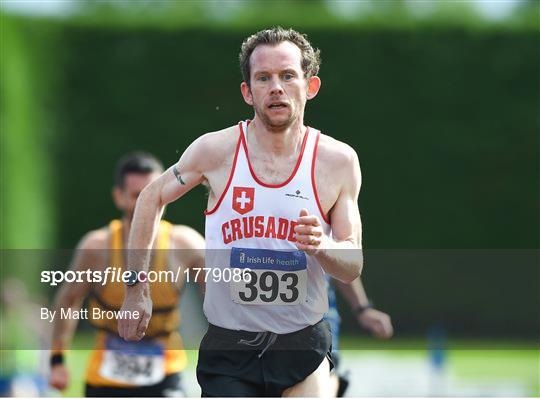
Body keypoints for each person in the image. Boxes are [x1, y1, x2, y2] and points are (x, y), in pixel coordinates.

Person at [119, 27, 363, 397]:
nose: (276, 87)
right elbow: (151, 197)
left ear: (310, 86)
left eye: (287, 75)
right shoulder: (215, 151)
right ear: (248, 92)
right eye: (263, 78)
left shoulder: (338, 161)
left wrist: (323, 246)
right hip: (230, 349)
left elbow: (352, 262)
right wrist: (137, 289)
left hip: (302, 343)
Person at [49, 152, 205, 397]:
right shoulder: (97, 248)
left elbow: (221, 296)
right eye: (137, 197)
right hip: (106, 378)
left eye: (153, 194)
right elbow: (68, 301)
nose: (147, 205)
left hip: (165, 372)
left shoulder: (186, 244)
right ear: (118, 197)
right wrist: (57, 361)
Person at [326, 277, 393, 396]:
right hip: (283, 325)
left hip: (319, 319)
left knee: (324, 373)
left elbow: (343, 262)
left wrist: (363, 309)